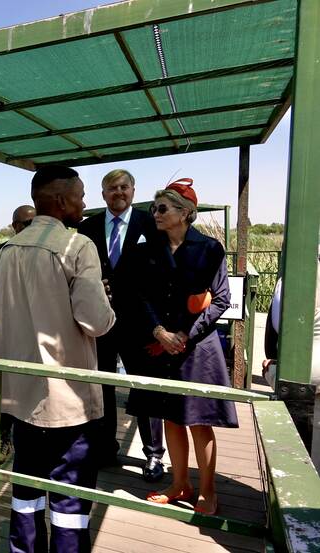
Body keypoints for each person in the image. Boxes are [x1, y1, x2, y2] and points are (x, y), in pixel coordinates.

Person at [0, 165, 115, 553]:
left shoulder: (7, 251)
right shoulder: (78, 247)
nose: (84, 203)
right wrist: (107, 304)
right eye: (80, 195)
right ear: (61, 201)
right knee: (69, 496)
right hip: (67, 399)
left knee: (26, 486)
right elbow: (95, 321)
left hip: (20, 395)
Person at [124, 178, 238, 516]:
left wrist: (187, 334)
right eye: (153, 208)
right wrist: (159, 331)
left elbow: (221, 300)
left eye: (161, 208)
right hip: (161, 345)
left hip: (197, 348)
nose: (154, 214)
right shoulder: (147, 251)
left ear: (185, 213)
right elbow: (139, 296)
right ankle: (179, 484)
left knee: (199, 421)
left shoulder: (209, 249)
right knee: (171, 419)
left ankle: (207, 490)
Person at [77, 169, 165, 481]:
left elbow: (162, 270)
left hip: (139, 323)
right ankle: (105, 448)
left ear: (133, 190)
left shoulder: (149, 223)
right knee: (102, 385)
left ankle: (154, 455)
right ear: (103, 195)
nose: (119, 193)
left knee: (144, 387)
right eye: (112, 188)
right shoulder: (86, 228)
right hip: (101, 322)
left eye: (124, 187)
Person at [261, 243, 320, 473]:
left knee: (299, 465)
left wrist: (272, 371)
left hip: (302, 379)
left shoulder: (290, 283)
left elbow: (274, 339)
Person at [0, 204, 36, 464]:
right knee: (7, 386)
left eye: (34, 223)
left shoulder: (43, 252)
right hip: (9, 331)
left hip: (37, 333)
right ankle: (5, 438)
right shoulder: (0, 252)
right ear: (15, 226)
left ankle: (32, 433)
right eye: (26, 224)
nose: (30, 229)